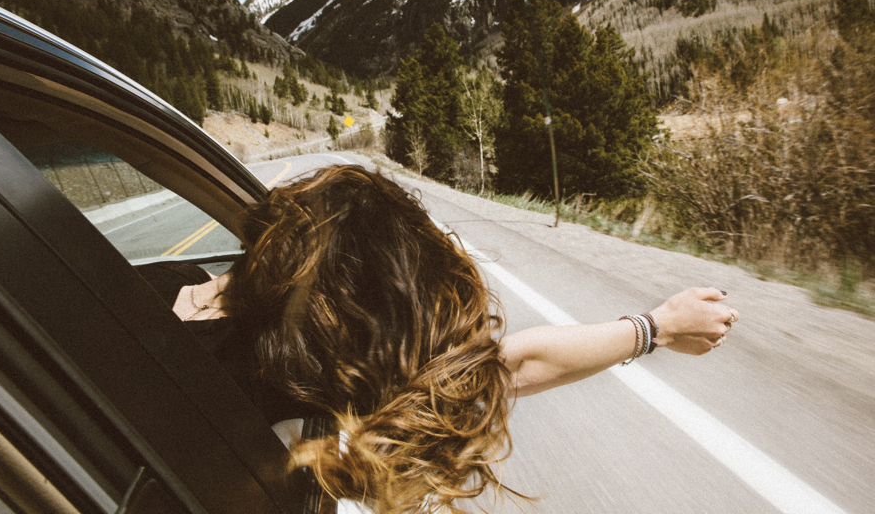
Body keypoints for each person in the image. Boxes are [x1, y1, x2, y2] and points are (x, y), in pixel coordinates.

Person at [141, 165, 738, 514]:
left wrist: (656, 328)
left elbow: (507, 362)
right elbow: (513, 362)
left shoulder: (134, 289)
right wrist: (655, 328)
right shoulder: (298, 381)